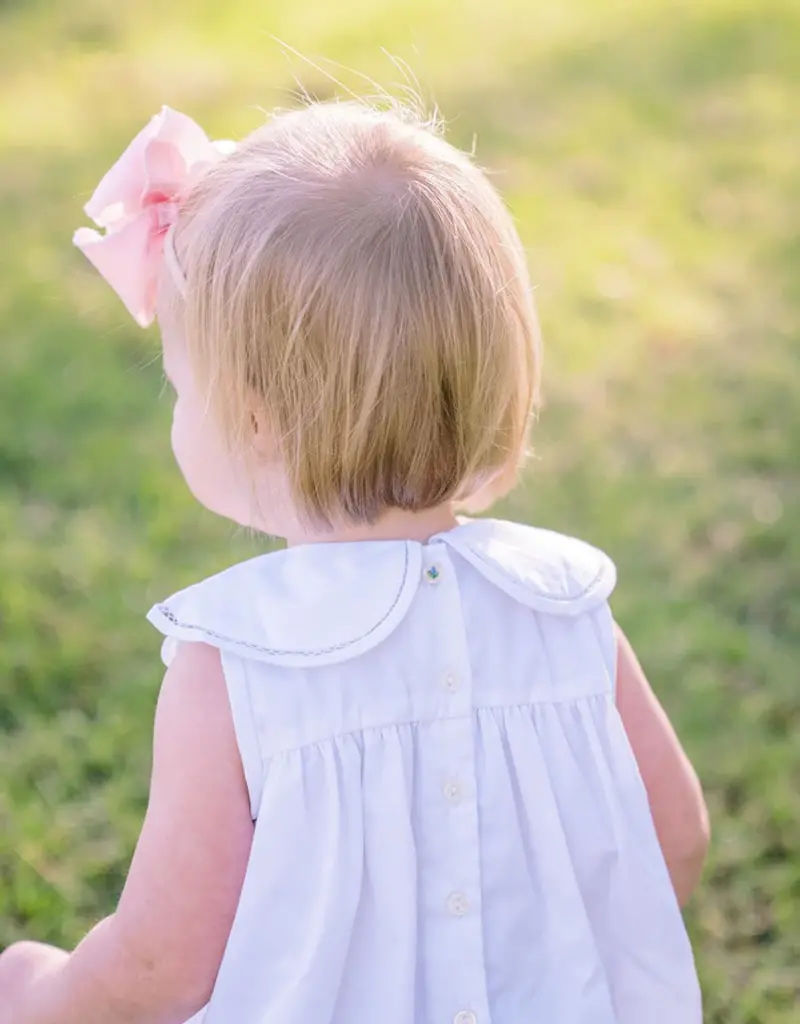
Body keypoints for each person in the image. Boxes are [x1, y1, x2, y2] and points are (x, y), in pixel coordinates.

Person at [0, 100, 709, 1024]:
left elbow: (164, 964)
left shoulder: (234, 663)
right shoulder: (565, 605)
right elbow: (675, 840)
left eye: (180, 389)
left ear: (252, 419)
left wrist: (40, 990)